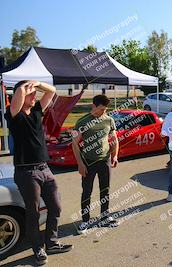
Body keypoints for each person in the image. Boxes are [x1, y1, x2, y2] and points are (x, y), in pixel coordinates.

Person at [5, 80, 73, 265]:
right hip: (26, 172)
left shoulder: (36, 111)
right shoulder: (14, 115)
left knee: (56, 206)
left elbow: (51, 92)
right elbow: (19, 94)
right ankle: (38, 248)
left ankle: (51, 242)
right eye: (30, 93)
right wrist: (23, 87)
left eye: (34, 93)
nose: (34, 95)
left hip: (45, 168)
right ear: (20, 95)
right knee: (33, 212)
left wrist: (38, 84)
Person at [72, 95, 120, 234]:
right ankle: (85, 221)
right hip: (88, 162)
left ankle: (104, 217)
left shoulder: (109, 120)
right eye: (101, 109)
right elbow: (74, 144)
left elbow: (114, 139)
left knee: (105, 190)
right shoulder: (82, 122)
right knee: (87, 191)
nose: (103, 112)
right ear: (94, 106)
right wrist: (80, 164)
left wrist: (114, 155)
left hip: (104, 161)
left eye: (105, 109)